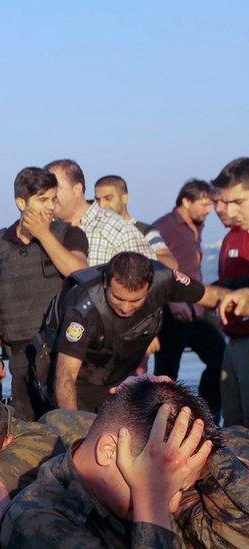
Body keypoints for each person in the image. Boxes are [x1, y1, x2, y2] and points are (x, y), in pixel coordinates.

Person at [0, 378, 249, 548]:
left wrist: (201, 440)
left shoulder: (155, 480)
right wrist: (152, 499)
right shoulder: (37, 522)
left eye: (179, 488)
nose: (173, 505)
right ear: (109, 451)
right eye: (170, 488)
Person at [42, 252, 228, 414]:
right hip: (79, 379)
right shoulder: (83, 308)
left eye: (135, 300)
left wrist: (241, 299)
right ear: (107, 282)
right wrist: (73, 430)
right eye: (118, 298)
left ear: (149, 286)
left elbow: (212, 296)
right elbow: (65, 376)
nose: (125, 307)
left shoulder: (163, 279)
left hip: (119, 376)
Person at [0, 167, 89, 420]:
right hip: (20, 353)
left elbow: (79, 272)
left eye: (53, 199)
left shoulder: (69, 234)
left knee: (69, 424)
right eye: (42, 200)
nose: (50, 206)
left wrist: (43, 234)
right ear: (21, 202)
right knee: (29, 431)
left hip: (63, 350)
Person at [152, 179, 226, 418]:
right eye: (204, 204)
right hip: (172, 312)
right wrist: (174, 302)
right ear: (186, 200)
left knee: (220, 359)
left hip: (197, 311)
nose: (209, 210)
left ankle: (206, 417)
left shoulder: (198, 225)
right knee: (166, 375)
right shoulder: (164, 226)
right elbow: (156, 268)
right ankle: (161, 424)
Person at [46, 159, 155, 266]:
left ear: (77, 189)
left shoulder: (117, 228)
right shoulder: (43, 228)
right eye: (46, 188)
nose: (50, 194)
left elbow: (148, 273)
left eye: (55, 187)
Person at [213, 157, 249, 427]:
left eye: (238, 202)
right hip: (233, 339)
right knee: (234, 427)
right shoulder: (231, 237)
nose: (229, 211)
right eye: (225, 202)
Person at [94, 175, 179, 269]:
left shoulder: (144, 231)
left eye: (108, 198)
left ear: (124, 198)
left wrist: (135, 257)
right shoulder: (94, 231)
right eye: (98, 200)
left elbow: (171, 264)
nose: (101, 205)